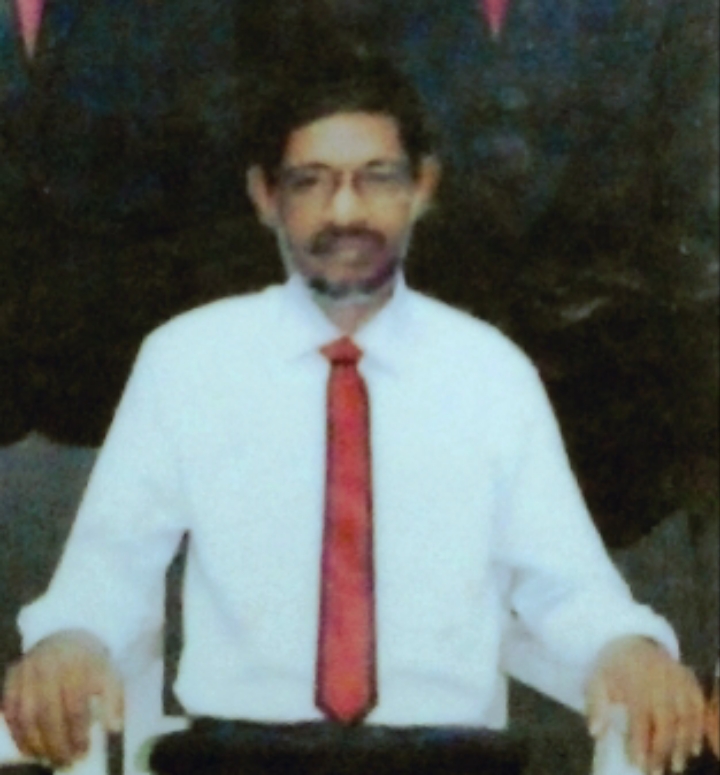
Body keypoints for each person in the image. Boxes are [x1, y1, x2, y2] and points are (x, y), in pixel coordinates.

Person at [2, 50, 707, 774]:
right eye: (310, 182)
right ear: (264, 196)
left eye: (377, 178)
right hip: (241, 758)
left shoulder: (490, 373)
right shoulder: (187, 362)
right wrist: (69, 641)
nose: (345, 212)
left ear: (422, 187)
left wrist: (628, 648)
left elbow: (569, 584)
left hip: (444, 761)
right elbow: (109, 567)